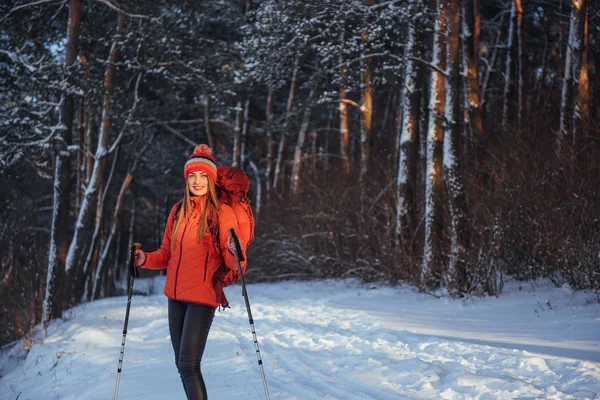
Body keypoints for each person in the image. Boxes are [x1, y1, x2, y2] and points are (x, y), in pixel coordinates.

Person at [134, 144, 244, 400]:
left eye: (203, 176)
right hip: (175, 298)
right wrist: (144, 259)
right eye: (192, 176)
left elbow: (232, 261)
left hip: (202, 299)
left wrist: (233, 251)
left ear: (211, 179)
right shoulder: (177, 211)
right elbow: (166, 253)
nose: (197, 181)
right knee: (182, 366)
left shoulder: (221, 213)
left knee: (188, 365)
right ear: (186, 179)